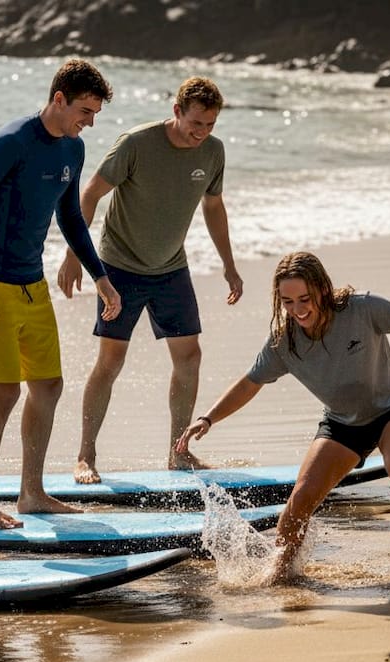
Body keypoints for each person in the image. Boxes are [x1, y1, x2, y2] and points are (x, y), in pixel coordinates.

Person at [176, 251, 390, 584]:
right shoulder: (284, 342)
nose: (297, 310)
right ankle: (280, 570)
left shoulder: (363, 309)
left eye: (304, 298)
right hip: (342, 423)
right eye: (287, 302)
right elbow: (251, 382)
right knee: (300, 500)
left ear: (323, 289)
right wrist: (208, 418)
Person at [0, 59, 122, 529]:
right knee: (3, 392)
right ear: (59, 99)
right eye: (84, 111)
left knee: (48, 385)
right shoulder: (10, 143)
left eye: (94, 115)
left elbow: (69, 217)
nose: (88, 122)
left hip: (32, 283)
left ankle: (32, 492)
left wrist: (100, 276)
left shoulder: (74, 150)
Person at [56, 76, 243, 485]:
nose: (202, 132)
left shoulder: (213, 152)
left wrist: (228, 263)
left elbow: (214, 206)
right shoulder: (136, 143)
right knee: (111, 361)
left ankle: (179, 452)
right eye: (196, 123)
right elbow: (89, 194)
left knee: (189, 356)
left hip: (171, 269)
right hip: (119, 268)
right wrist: (74, 254)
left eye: (210, 125)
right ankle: (85, 455)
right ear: (176, 111)